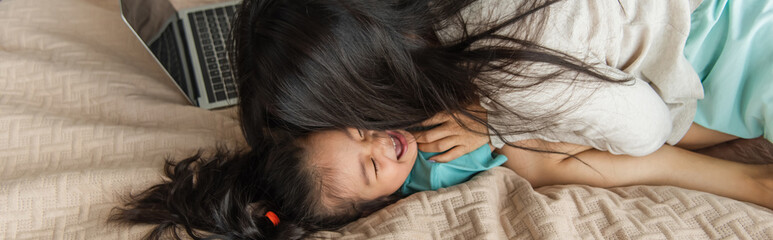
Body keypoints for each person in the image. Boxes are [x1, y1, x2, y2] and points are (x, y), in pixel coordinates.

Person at [111, 0, 773, 239]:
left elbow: (645, 127)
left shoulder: (501, 66)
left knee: (542, 154)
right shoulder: (416, 140)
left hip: (714, 44)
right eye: (371, 163)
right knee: (540, 160)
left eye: (361, 130)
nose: (383, 144)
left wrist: (495, 121)